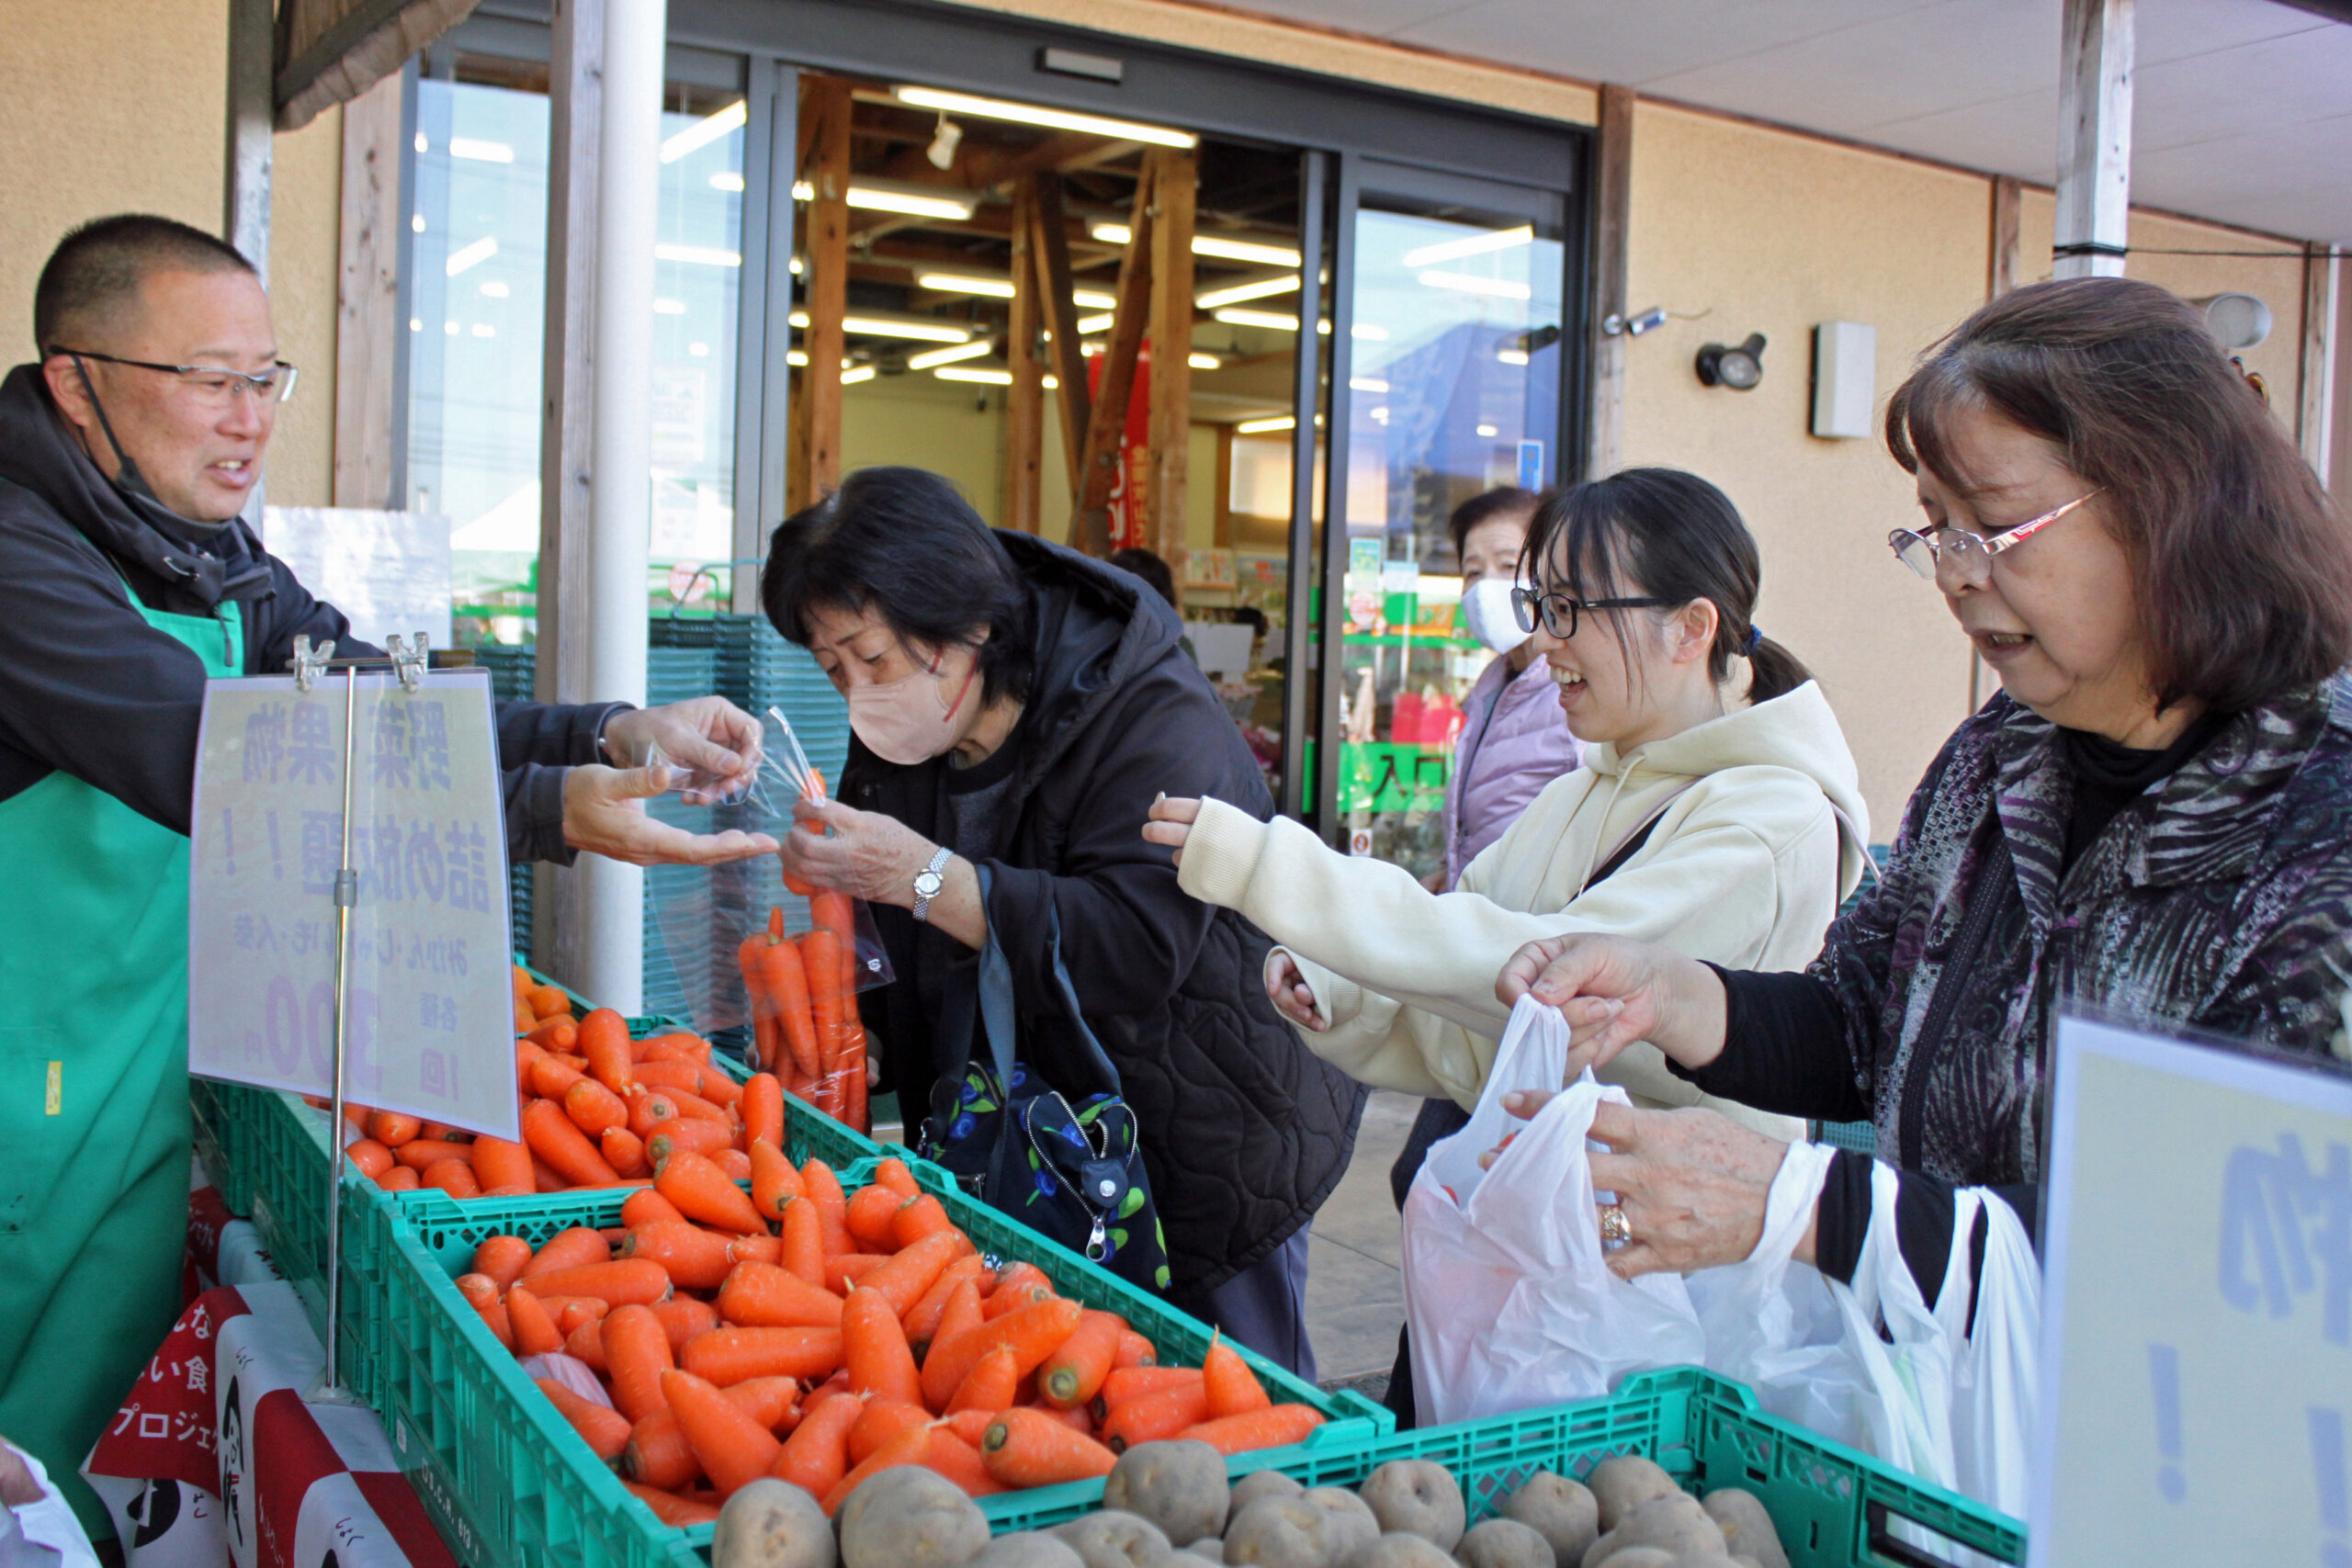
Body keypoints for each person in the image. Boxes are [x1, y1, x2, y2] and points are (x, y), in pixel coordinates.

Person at [0, 214, 775, 1536]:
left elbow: (381, 710)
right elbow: (219, 759)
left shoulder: (209, 551)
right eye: (207, 379)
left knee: (63, 1467)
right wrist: (552, 810)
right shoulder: (20, 557)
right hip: (20, 1086)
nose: (249, 418)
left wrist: (605, 730)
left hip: (133, 1085)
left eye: (266, 377)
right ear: (76, 381)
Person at [1492, 277, 2352, 1311]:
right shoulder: (2002, 754)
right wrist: (1672, 994)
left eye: (1988, 527)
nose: (1952, 573)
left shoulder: (2317, 816)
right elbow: (1863, 1024)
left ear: (2172, 508)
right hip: (1936, 1399)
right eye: (1931, 530)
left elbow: (2244, 1246)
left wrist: (1808, 1208)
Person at [1145, 468, 1870, 1416]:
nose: (1545, 639)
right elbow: (1482, 962)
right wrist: (1348, 995)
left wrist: (1272, 871)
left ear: (1690, 628)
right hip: (1531, 1258)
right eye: (1541, 604)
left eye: (1572, 608)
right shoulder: (1586, 788)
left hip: (1668, 1282)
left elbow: (1553, 968)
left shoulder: (1772, 815)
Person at [761, 467, 1364, 1375]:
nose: (856, 691)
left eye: (869, 658)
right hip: (1031, 1144)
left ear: (966, 626)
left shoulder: (1150, 712)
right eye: (832, 666)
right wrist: (858, 1034)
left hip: (1202, 1124)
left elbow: (1131, 943)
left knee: (1232, 1402)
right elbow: (892, 921)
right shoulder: (907, 715)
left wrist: (920, 874)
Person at [1431, 486, 1583, 894]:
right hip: (1476, 929)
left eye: (1507, 564)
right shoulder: (1490, 689)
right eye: (1473, 571)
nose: (1485, 588)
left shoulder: (1577, 695)